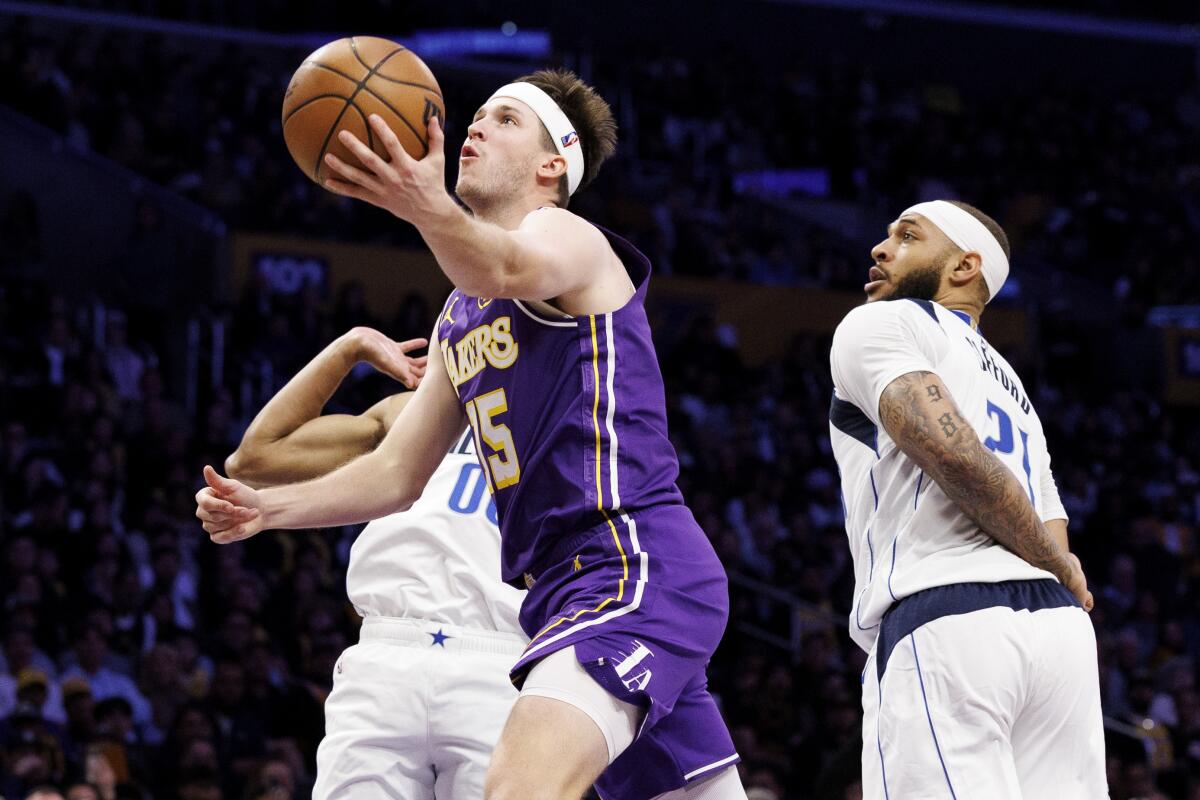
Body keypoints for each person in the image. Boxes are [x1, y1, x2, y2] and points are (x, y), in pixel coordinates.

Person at [196, 69, 745, 800]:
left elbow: (505, 261)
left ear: (555, 164)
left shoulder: (569, 239)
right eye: (477, 115)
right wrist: (269, 512)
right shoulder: (462, 312)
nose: (476, 127)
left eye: (506, 120)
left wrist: (424, 206)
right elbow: (396, 473)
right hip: (563, 592)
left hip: (629, 566)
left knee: (518, 788)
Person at [827, 199, 1107, 797]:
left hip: (949, 612)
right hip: (1060, 635)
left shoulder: (883, 322)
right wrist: (1057, 569)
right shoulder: (1016, 390)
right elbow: (1053, 526)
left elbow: (952, 454)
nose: (881, 249)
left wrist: (1054, 563)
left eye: (907, 236)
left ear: (963, 267)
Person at [221, 325, 526, 799]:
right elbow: (254, 457)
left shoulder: (573, 432)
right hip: (389, 649)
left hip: (502, 656)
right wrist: (350, 347)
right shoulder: (411, 414)